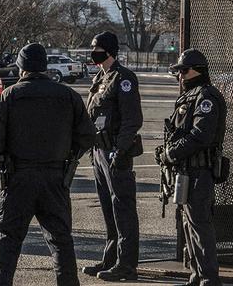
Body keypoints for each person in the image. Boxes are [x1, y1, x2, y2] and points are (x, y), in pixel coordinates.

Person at [0, 43, 96, 286]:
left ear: (21, 67)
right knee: (61, 241)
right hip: (55, 176)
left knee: (8, 239)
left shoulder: (10, 97)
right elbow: (87, 135)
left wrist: (1, 159)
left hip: (17, 177)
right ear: (45, 66)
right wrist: (69, 155)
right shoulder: (68, 95)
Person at [157, 48, 227, 286]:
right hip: (186, 171)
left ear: (198, 71)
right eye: (179, 71)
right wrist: (166, 151)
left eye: (184, 71)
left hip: (199, 171)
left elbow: (201, 136)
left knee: (200, 225)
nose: (180, 76)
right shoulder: (190, 96)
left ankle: (209, 277)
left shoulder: (206, 97)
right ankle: (197, 274)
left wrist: (171, 153)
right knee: (189, 224)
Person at [82, 31, 143, 282]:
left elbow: (132, 120)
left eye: (96, 48)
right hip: (98, 151)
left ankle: (126, 264)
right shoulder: (100, 78)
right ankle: (111, 258)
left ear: (108, 50)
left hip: (116, 152)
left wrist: (120, 149)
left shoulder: (123, 78)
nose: (93, 52)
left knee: (122, 208)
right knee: (108, 208)